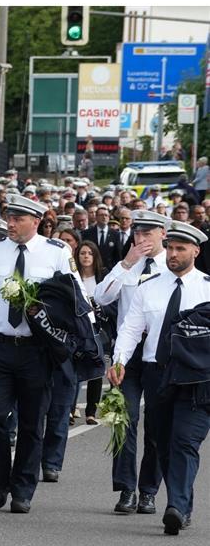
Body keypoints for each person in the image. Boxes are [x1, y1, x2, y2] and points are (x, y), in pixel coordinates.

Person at [0, 194, 78, 514]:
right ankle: (0, 483)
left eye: (17, 219)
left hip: (36, 351)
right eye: (9, 217)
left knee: (30, 423)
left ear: (35, 222)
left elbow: (73, 299)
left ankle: (23, 487)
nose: (10, 223)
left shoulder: (56, 252)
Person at [110, 221, 210, 535]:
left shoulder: (207, 287)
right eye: (171, 248)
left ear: (196, 250)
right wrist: (120, 359)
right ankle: (183, 503)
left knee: (184, 441)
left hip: (198, 380)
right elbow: (130, 328)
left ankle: (176, 507)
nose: (174, 254)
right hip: (158, 375)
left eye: (181, 248)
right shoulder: (149, 286)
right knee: (163, 442)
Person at [91, 210, 169, 514]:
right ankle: (126, 488)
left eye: (148, 233)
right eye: (137, 233)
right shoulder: (128, 266)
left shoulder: (170, 265)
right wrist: (126, 264)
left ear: (162, 233)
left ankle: (149, 490)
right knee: (124, 420)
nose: (142, 239)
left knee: (157, 425)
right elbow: (102, 296)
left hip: (160, 354)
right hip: (128, 353)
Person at [75, 240, 107, 425]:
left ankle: (91, 412)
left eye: (90, 253)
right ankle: (71, 409)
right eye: (82, 253)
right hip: (77, 328)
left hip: (97, 329)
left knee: (96, 368)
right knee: (75, 367)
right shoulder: (73, 277)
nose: (86, 256)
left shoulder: (103, 276)